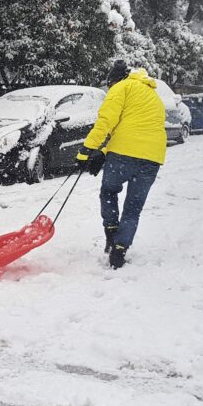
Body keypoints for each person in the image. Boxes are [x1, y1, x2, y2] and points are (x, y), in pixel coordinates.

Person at [75, 60, 166, 269]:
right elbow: (136, 130)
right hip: (152, 158)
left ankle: (111, 230)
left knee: (108, 191)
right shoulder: (153, 95)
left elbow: (105, 122)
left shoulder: (121, 88)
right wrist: (104, 152)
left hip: (123, 155)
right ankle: (120, 249)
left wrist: (85, 151)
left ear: (113, 80)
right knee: (133, 208)